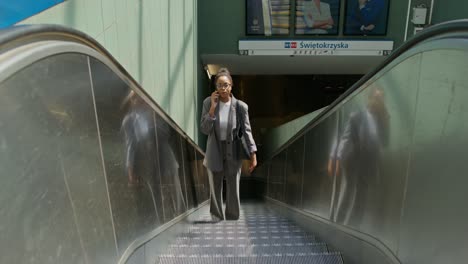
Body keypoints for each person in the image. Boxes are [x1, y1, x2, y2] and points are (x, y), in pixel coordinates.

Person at [200, 68, 257, 221]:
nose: (223, 88)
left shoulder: (241, 107)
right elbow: (205, 129)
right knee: (215, 186)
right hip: (214, 149)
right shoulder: (207, 102)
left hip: (233, 150)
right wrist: (212, 108)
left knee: (233, 186)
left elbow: (247, 131)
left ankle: (232, 216)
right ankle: (216, 216)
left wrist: (253, 154)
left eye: (226, 85)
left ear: (231, 85)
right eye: (219, 85)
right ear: (215, 87)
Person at [328, 88, 389, 226]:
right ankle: (338, 223)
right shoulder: (357, 116)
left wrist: (386, 120)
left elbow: (385, 142)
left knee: (362, 193)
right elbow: (345, 138)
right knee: (348, 189)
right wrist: (337, 158)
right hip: (352, 158)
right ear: (370, 99)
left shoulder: (382, 120)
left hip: (369, 160)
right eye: (376, 98)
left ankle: (353, 226)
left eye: (381, 99)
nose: (379, 101)